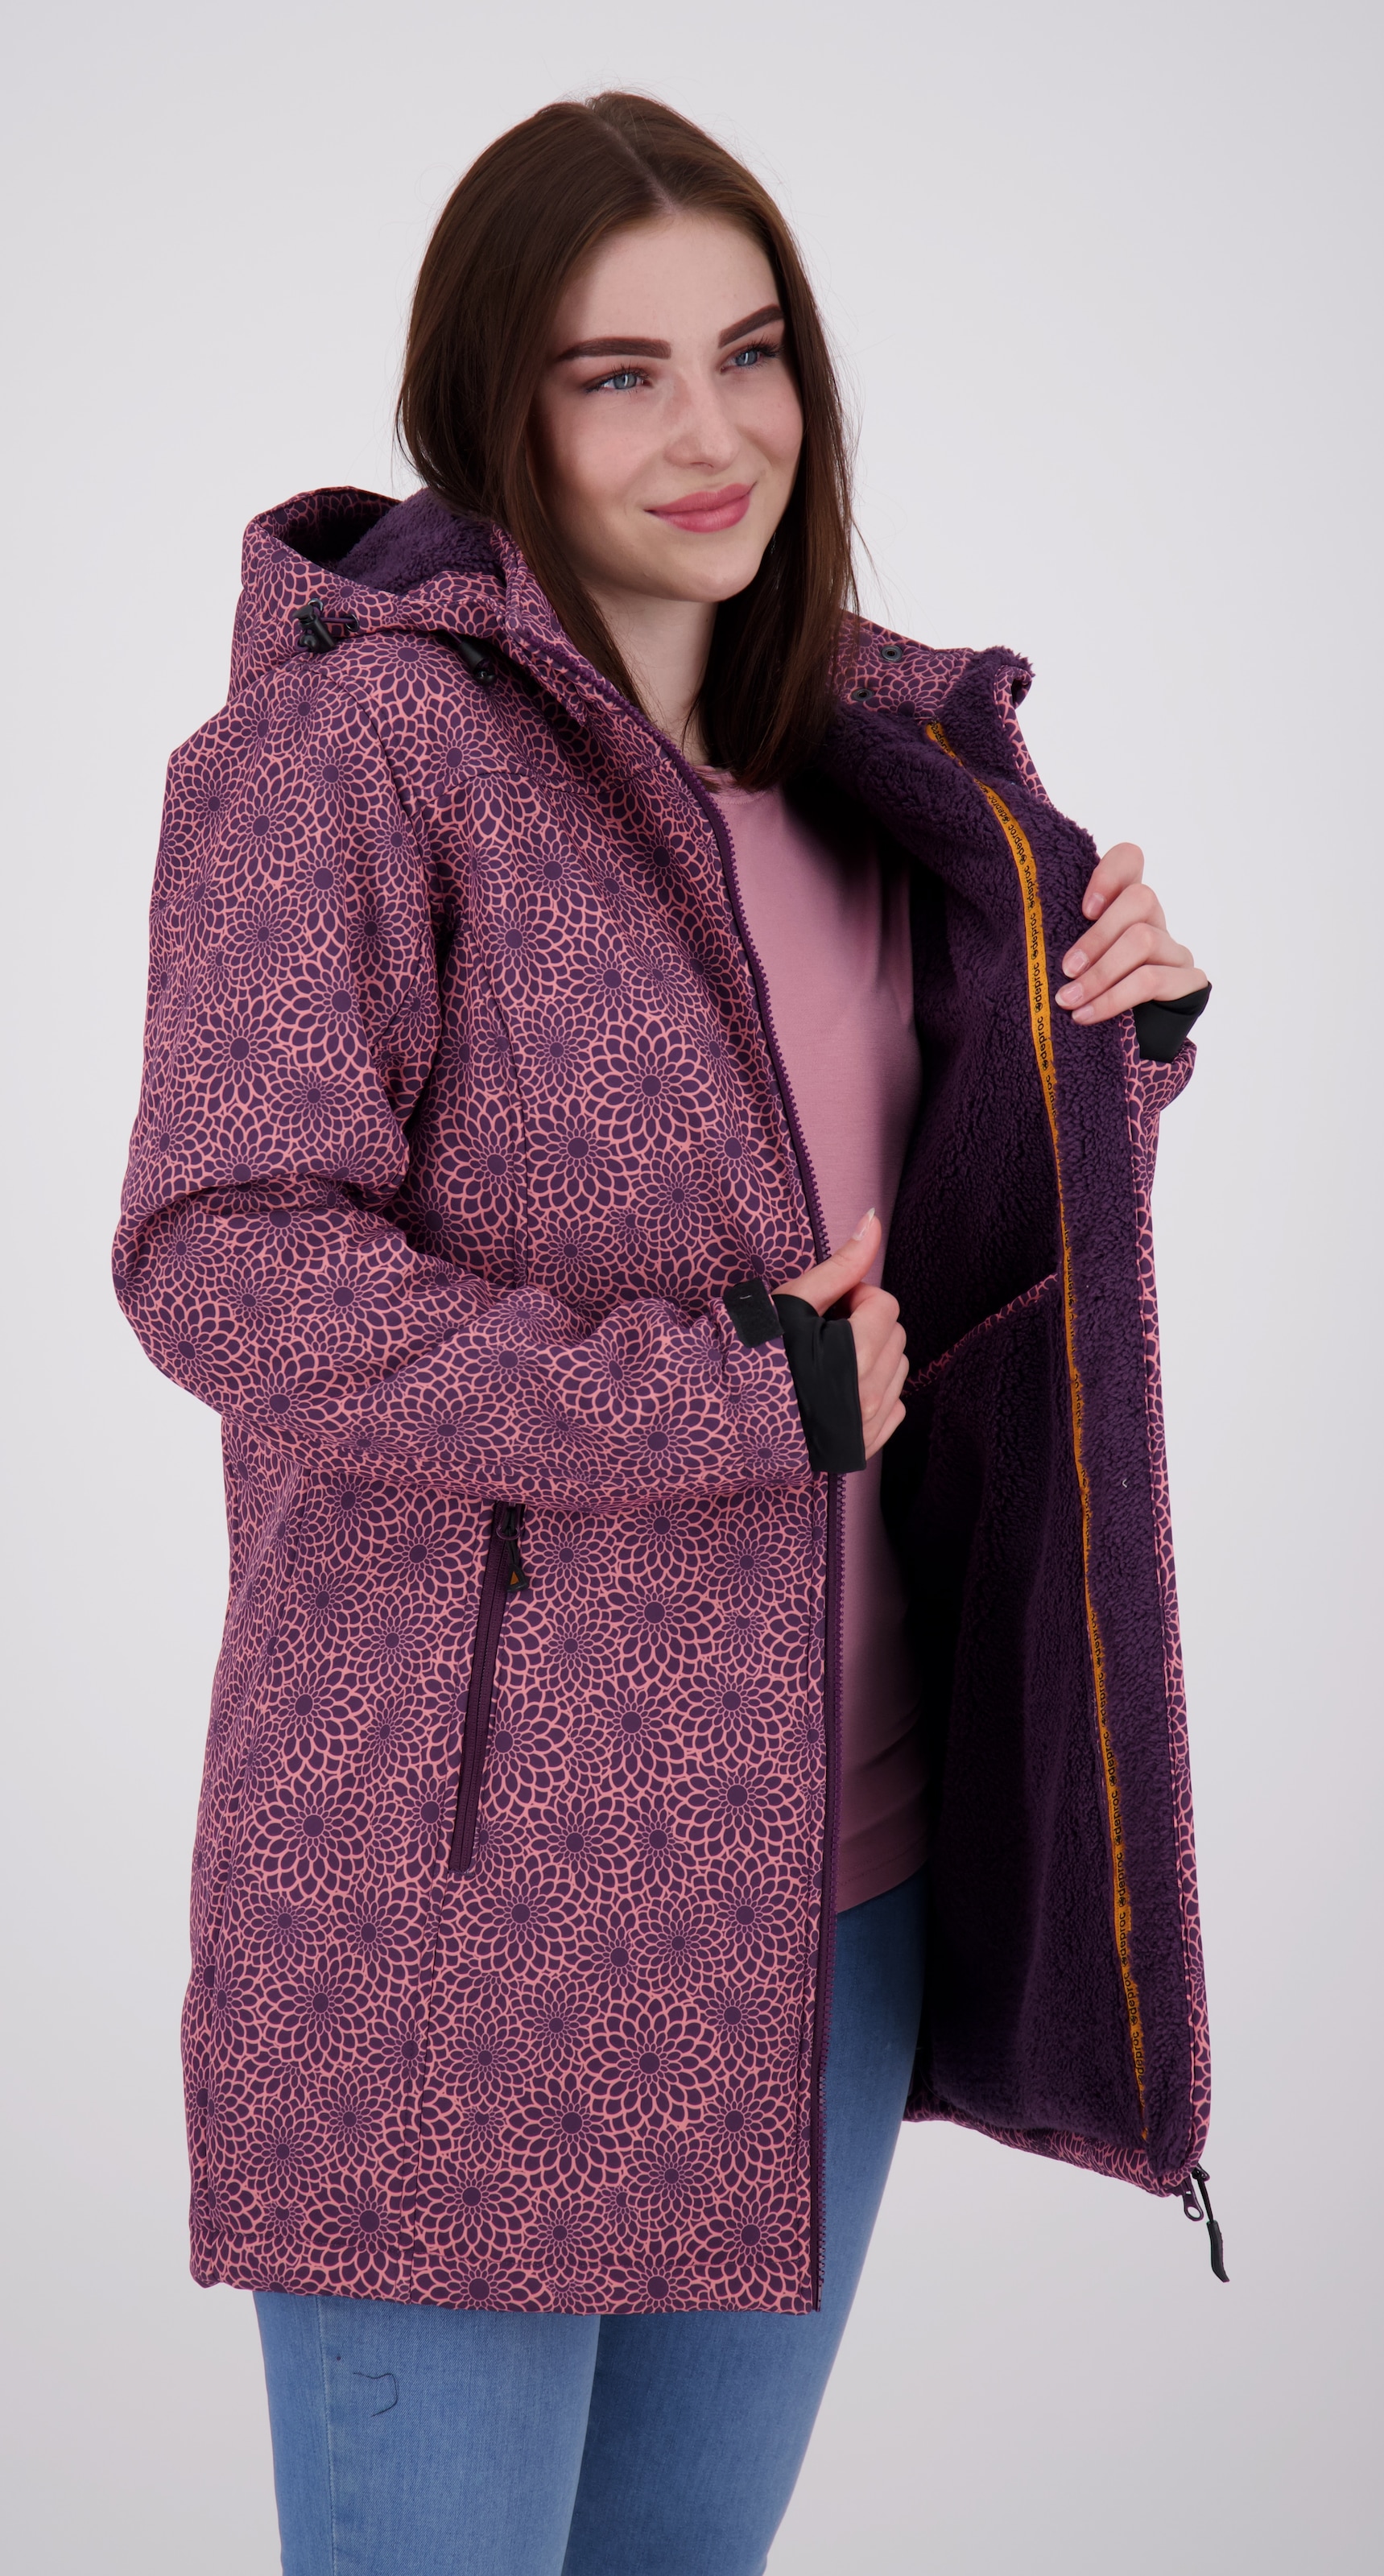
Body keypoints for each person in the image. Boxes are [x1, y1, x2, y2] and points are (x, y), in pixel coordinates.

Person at [114, 91, 1213, 2576]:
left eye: (752, 352)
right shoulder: (348, 755)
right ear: (487, 402)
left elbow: (923, 1259)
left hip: (837, 1881)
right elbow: (222, 1254)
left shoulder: (879, 764)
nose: (710, 431)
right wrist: (718, 1399)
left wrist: (1107, 1059)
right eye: (618, 374)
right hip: (471, 1915)